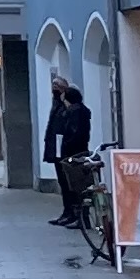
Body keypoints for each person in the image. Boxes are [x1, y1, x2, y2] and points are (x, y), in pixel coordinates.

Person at [55, 86, 92, 226]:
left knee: (74, 186)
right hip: (80, 151)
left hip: (72, 153)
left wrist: (66, 147)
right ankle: (79, 216)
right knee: (78, 186)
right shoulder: (81, 110)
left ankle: (78, 217)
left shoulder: (73, 112)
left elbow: (72, 133)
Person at [44, 75, 74, 226]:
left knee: (69, 184)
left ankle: (72, 212)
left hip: (66, 151)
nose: (54, 89)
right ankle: (67, 211)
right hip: (57, 150)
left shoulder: (69, 106)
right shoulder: (56, 104)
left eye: (57, 86)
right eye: (53, 86)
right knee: (63, 183)